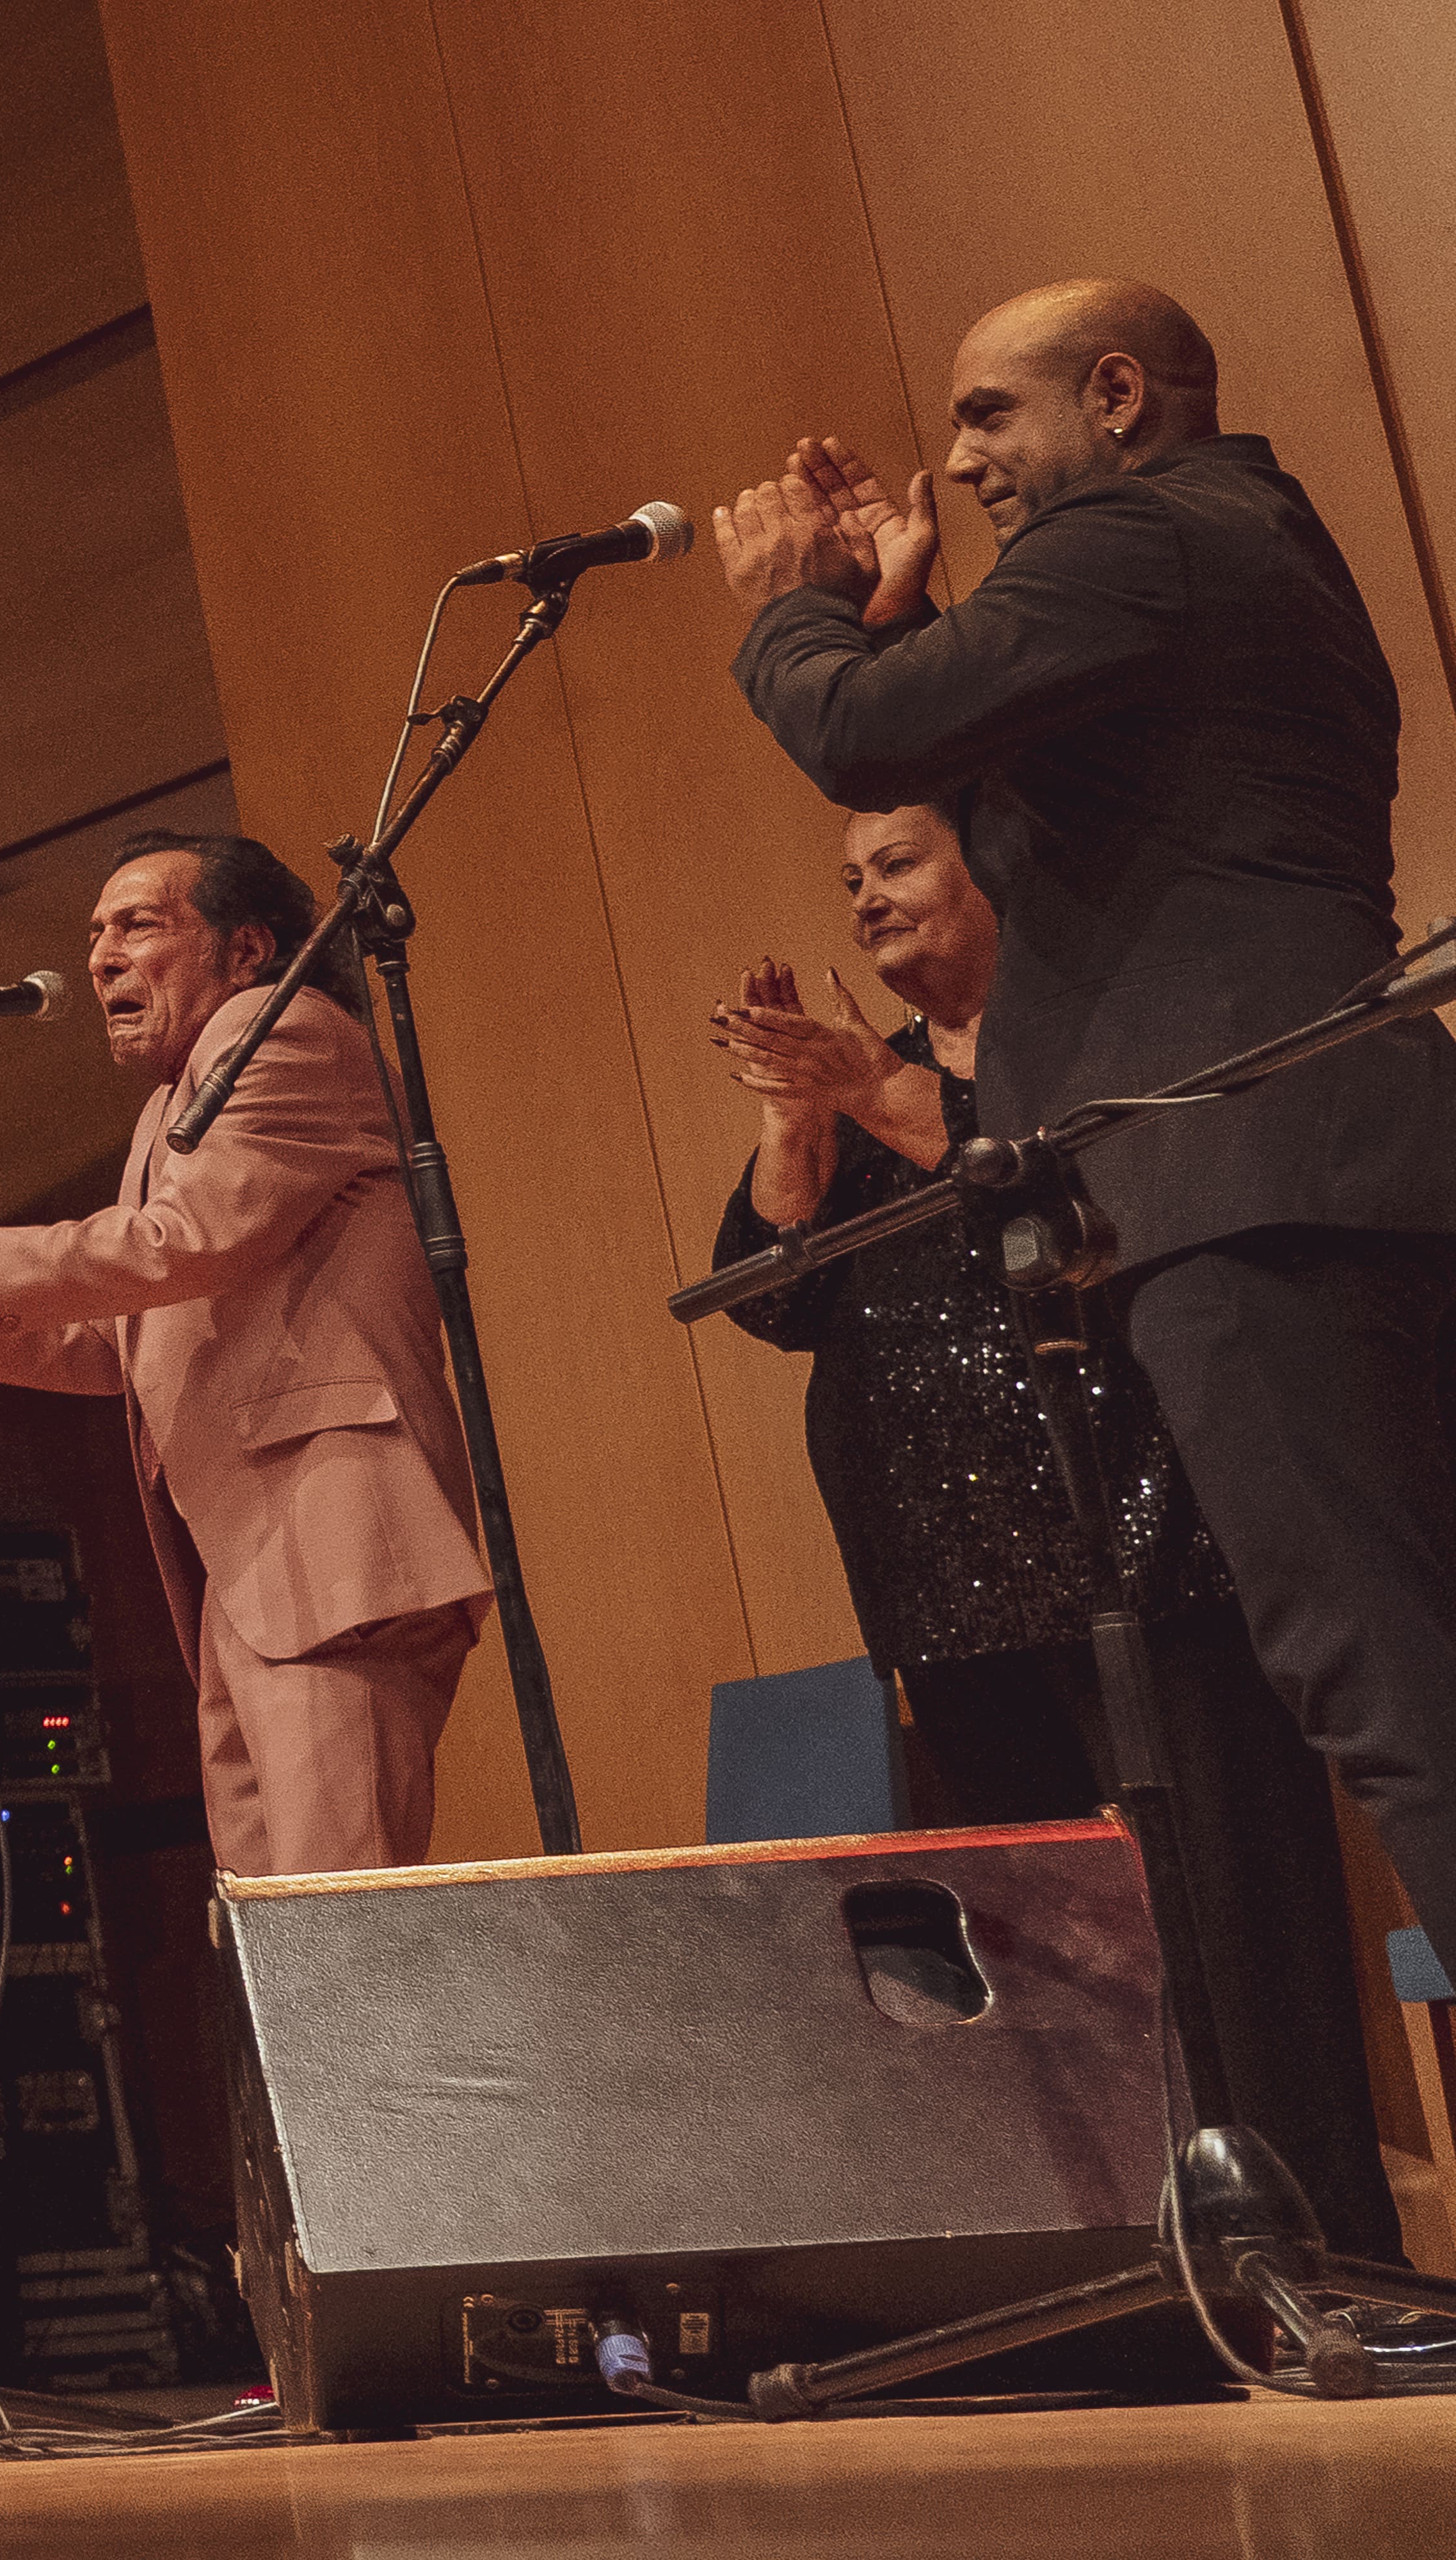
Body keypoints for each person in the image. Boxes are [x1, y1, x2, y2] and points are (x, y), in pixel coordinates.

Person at [721, 278, 1456, 1958]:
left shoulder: (1143, 533)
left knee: (1388, 1681)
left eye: (990, 412)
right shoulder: (1237, 542)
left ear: (1116, 393)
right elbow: (1032, 790)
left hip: (1242, 1182)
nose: (961, 454)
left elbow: (863, 734)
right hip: (1339, 1163)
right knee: (1420, 1660)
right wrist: (901, 619)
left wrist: (798, 616)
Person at [707, 801, 1402, 2257]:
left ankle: (1312, 2252)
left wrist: (877, 1086)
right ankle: (1127, 2262)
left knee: (1232, 1924)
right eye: (847, 880)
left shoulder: (1082, 1039)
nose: (866, 901)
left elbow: (1058, 1180)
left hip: (1143, 1549)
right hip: (943, 1585)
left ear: (1001, 873)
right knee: (1051, 1955)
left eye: (897, 865)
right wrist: (795, 1115)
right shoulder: (862, 1098)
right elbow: (771, 1295)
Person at [0, 833, 488, 1877]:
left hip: (333, 1553)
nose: (101, 955)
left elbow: (180, 1243)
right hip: (250, 1576)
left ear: (247, 948)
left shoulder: (277, 1026)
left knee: (352, 1940)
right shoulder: (167, 1106)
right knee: (284, 1957)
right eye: (94, 932)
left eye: (137, 924)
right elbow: (120, 1337)